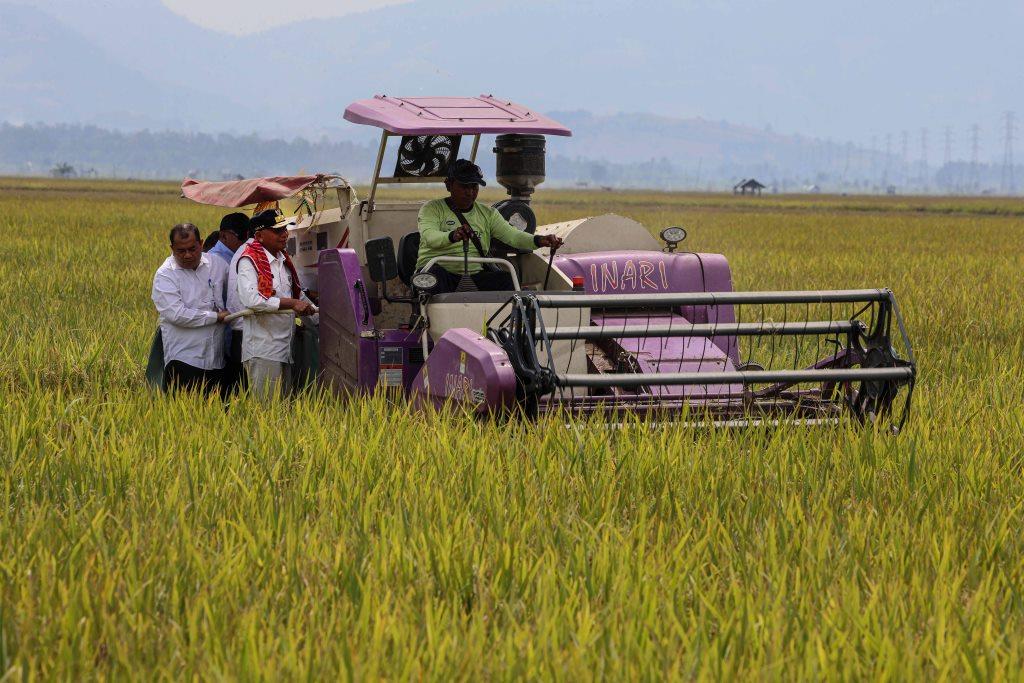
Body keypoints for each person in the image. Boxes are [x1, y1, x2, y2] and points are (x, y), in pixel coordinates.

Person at [415, 159, 563, 293]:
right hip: (439, 271)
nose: (470, 192)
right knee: (433, 278)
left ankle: (504, 322)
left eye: (474, 187)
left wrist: (539, 240)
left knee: (505, 280)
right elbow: (430, 237)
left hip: (473, 275)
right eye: (464, 186)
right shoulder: (432, 209)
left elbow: (513, 236)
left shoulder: (488, 214)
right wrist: (452, 235)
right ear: (448, 185)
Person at [236, 210, 315, 398]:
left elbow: (298, 296)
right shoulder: (249, 261)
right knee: (267, 414)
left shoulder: (283, 261)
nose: (284, 234)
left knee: (283, 413)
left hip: (285, 348)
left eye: (285, 228)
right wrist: (292, 303)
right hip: (264, 349)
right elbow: (253, 300)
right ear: (259, 236)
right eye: (277, 230)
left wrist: (322, 318)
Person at [151, 223, 229, 393]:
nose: (187, 255)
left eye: (192, 249)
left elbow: (234, 293)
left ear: (201, 243)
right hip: (184, 359)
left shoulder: (217, 265)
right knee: (185, 414)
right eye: (181, 250)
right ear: (172, 248)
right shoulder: (165, 274)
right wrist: (216, 317)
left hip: (217, 359)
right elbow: (177, 315)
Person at [213, 212, 251, 393]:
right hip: (224, 337)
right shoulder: (217, 261)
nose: (246, 241)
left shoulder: (240, 256)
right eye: (242, 237)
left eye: (248, 236)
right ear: (223, 235)